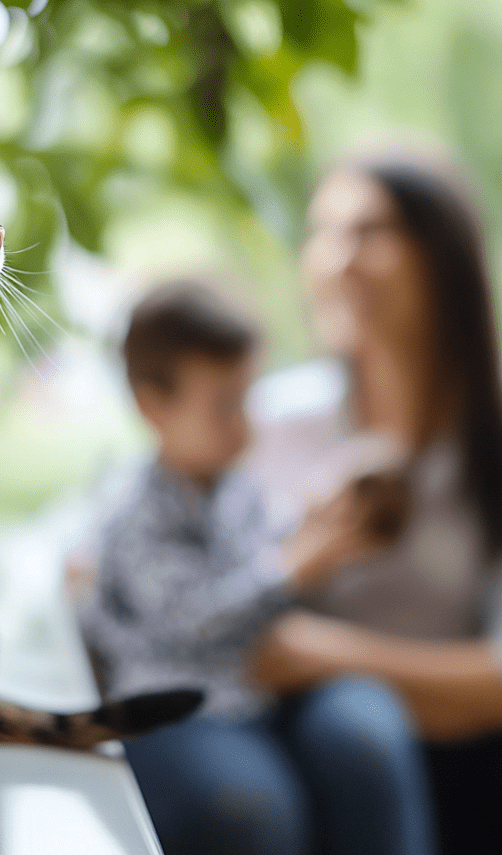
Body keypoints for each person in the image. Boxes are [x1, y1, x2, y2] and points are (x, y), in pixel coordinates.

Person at [76, 279, 437, 855]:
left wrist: (327, 529)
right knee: (251, 808)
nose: (246, 426)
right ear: (153, 406)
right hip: (182, 704)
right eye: (225, 406)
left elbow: (267, 565)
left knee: (369, 731)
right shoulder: (135, 515)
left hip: (264, 688)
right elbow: (190, 622)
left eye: (249, 399)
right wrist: (291, 567)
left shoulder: (240, 490)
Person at [246, 149, 502, 854]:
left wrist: (319, 652)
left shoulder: (486, 439)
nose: (336, 259)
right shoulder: (273, 420)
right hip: (320, 749)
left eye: (369, 232)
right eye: (322, 233)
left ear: (441, 255)